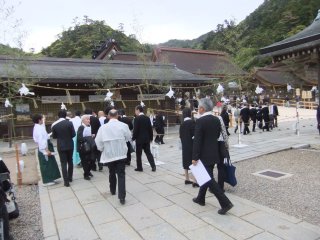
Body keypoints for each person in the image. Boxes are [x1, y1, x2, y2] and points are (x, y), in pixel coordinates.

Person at [192, 98, 233, 215]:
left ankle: (225, 203)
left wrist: (194, 156)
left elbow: (197, 141)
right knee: (206, 175)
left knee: (209, 179)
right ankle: (201, 198)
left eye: (198, 107)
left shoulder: (200, 121)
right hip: (214, 152)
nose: (197, 110)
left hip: (204, 154)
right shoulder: (216, 119)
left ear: (202, 108)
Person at [95, 109, 131, 205]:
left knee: (111, 172)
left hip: (109, 154)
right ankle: (122, 197)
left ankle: (112, 190)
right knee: (121, 174)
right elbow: (128, 137)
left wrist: (102, 149)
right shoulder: (123, 126)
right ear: (118, 115)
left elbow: (98, 141)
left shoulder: (103, 128)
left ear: (108, 116)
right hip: (121, 153)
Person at [32, 114, 61, 185]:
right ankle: (47, 180)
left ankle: (51, 178)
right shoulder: (38, 128)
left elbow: (43, 132)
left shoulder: (39, 126)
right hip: (44, 147)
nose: (43, 120)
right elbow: (41, 140)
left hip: (45, 145)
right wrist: (46, 149)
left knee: (50, 163)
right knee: (46, 164)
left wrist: (49, 135)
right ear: (39, 120)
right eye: (42, 119)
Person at [51, 110, 76, 187]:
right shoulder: (69, 123)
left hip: (61, 145)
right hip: (69, 144)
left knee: (63, 163)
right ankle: (70, 177)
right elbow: (73, 134)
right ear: (65, 116)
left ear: (58, 116)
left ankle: (66, 181)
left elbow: (54, 136)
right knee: (70, 161)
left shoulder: (55, 125)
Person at [132, 105, 156, 172]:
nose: (135, 112)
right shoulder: (147, 118)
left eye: (135, 110)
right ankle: (153, 166)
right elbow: (150, 129)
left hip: (139, 139)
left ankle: (140, 168)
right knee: (148, 152)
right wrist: (151, 138)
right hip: (146, 139)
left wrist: (133, 138)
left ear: (138, 110)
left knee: (138, 154)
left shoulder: (137, 118)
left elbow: (135, 130)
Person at [179, 108, 198, 186]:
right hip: (192, 145)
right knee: (194, 162)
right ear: (190, 113)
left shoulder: (182, 124)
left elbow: (180, 136)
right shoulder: (192, 122)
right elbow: (195, 135)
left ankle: (187, 179)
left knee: (185, 160)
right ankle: (195, 181)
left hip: (184, 145)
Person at [77, 115, 95, 180]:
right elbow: (79, 138)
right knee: (84, 161)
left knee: (92, 160)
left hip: (89, 146)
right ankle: (86, 174)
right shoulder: (81, 127)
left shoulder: (89, 126)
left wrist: (91, 136)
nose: (88, 120)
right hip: (83, 147)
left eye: (89, 119)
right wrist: (88, 138)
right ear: (83, 120)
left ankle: (88, 171)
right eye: (87, 119)